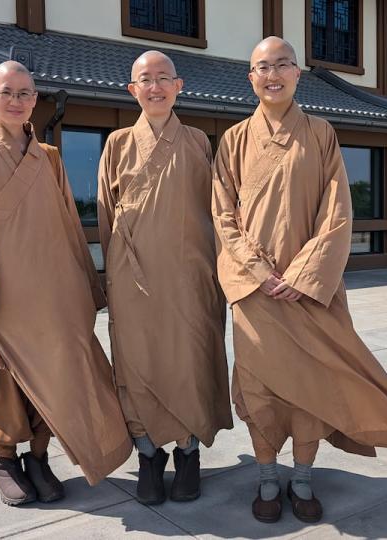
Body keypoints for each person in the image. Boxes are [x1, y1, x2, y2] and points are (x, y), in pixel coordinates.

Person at [212, 38, 387, 524]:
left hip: (309, 290)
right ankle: (267, 475)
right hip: (254, 292)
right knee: (259, 386)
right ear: (250, 77)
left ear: (298, 74)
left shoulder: (320, 133)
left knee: (312, 382)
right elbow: (223, 215)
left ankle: (303, 476)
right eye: (261, 67)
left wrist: (301, 275)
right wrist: (259, 271)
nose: (272, 74)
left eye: (282, 65)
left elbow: (337, 212)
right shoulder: (232, 140)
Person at [0, 60, 132, 506]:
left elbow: (71, 225)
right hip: (5, 294)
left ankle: (39, 456)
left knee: (56, 374)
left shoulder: (49, 157)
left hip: (53, 290)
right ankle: (6, 461)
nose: (16, 101)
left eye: (25, 93)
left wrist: (88, 287)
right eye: (7, 92)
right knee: (5, 379)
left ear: (35, 100)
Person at [97, 50, 232, 505]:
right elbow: (104, 217)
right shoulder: (115, 144)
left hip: (190, 277)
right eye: (144, 80)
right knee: (138, 364)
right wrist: (111, 276)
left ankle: (188, 453)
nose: (154, 87)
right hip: (132, 279)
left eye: (162, 79)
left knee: (189, 362)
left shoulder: (198, 142)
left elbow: (216, 214)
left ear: (179, 85)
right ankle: (148, 454)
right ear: (132, 90)